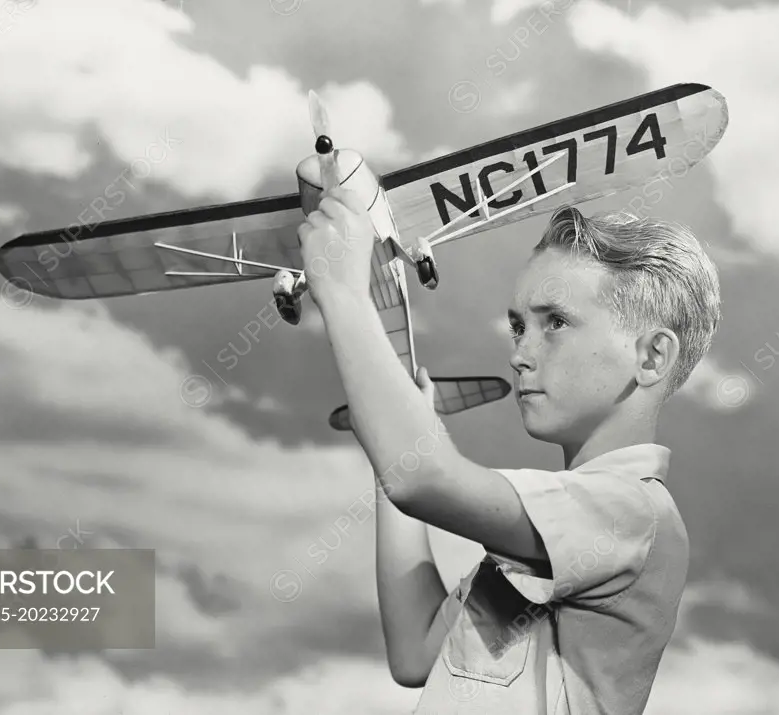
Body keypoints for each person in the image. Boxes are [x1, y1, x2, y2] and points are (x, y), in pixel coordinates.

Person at [296, 188, 721, 715]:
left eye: (556, 323)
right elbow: (414, 652)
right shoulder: (547, 538)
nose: (520, 353)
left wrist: (341, 290)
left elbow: (422, 479)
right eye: (519, 326)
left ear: (651, 356)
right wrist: (400, 438)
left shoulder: (634, 512)